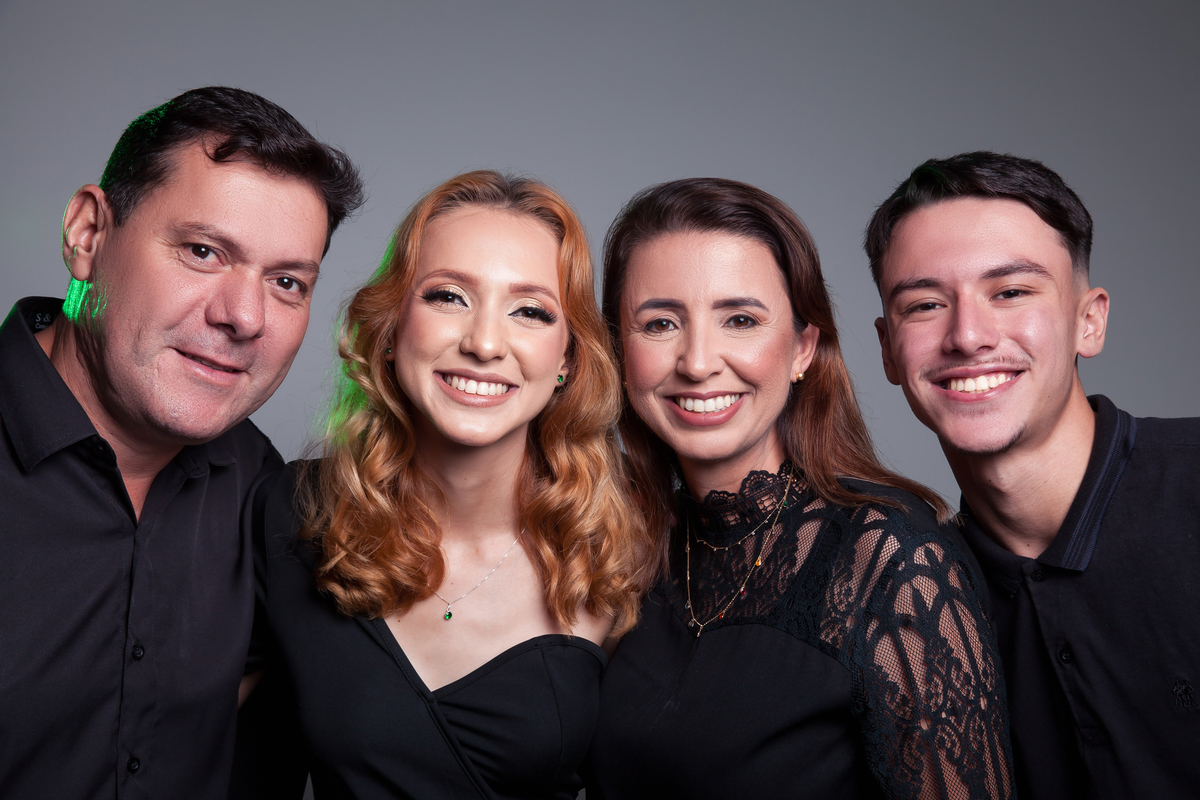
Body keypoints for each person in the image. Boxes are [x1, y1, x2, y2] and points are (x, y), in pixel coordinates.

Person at [586, 177, 1013, 799]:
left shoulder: (890, 556)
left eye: (740, 320)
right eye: (660, 324)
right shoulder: (624, 544)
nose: (698, 362)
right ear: (619, 351)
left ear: (802, 349)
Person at [239, 170, 653, 799]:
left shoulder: (625, 546)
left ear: (567, 358)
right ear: (391, 327)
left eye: (530, 311)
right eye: (448, 297)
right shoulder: (291, 511)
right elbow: (189, 742)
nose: (484, 343)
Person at [0, 86, 364, 799]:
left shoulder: (266, 491)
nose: (245, 316)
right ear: (87, 235)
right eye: (202, 251)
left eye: (286, 281)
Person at [866, 150, 1200, 799]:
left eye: (1011, 292)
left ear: (1088, 321)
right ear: (887, 350)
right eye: (926, 304)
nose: (968, 336)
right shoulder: (914, 597)